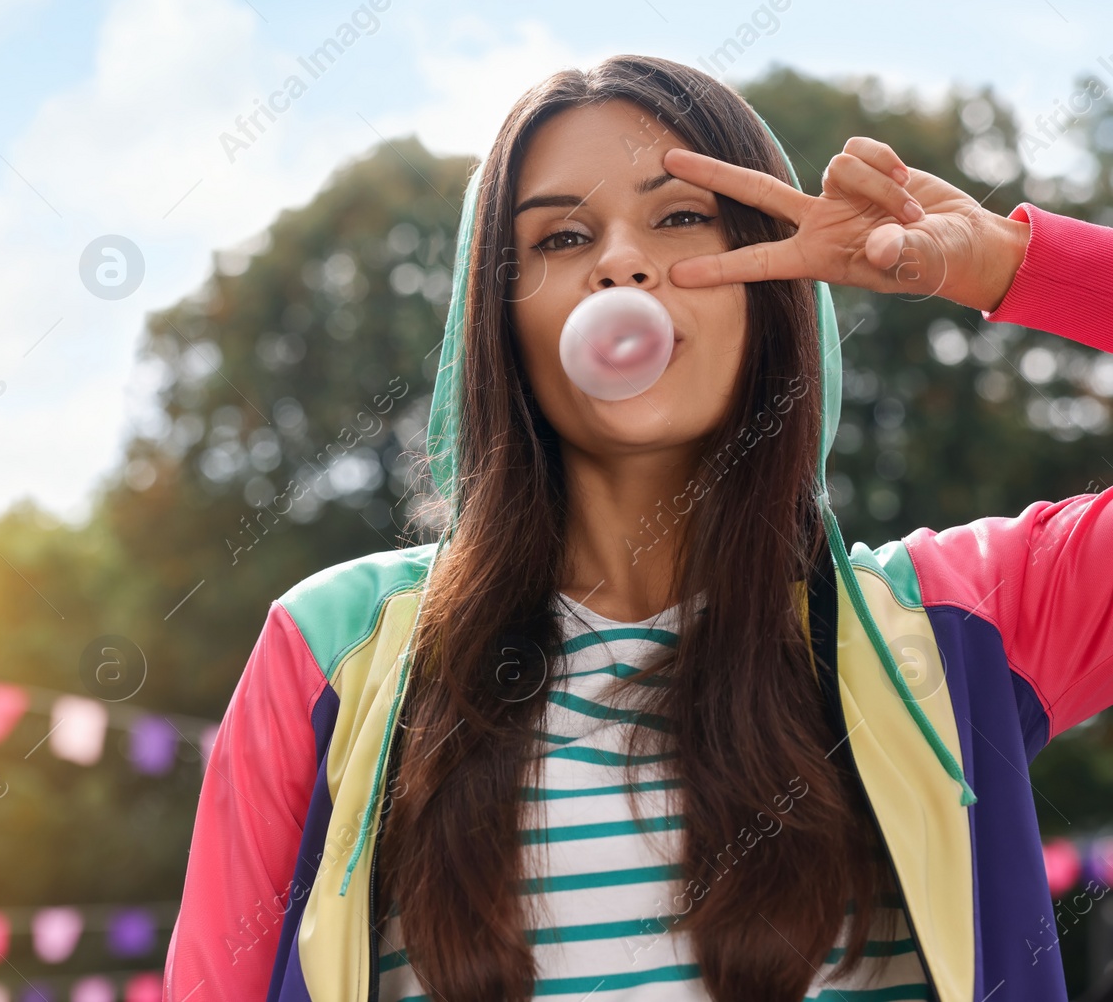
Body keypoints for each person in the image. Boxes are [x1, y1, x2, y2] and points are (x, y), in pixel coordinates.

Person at [162, 54, 1113, 1002]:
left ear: (771, 286)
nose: (620, 261)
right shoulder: (332, 650)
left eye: (680, 217)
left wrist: (1007, 264)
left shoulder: (960, 627)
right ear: (499, 318)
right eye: (562, 237)